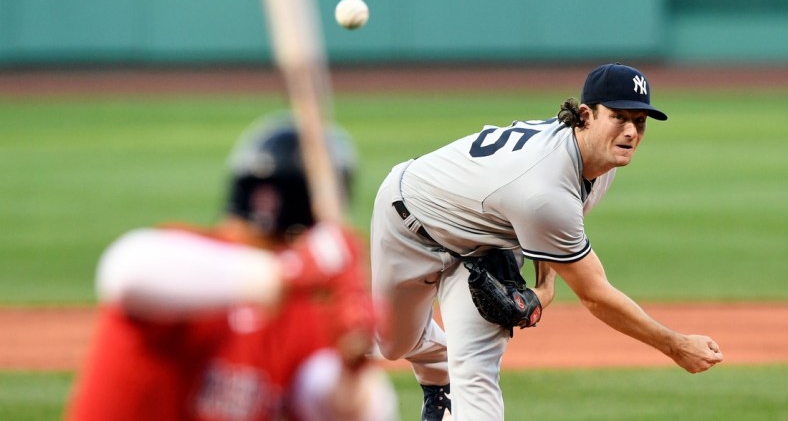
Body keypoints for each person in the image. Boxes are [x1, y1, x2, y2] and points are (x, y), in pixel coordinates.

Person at [369, 63, 724, 420]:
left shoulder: (600, 157)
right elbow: (595, 294)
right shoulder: (544, 186)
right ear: (586, 115)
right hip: (408, 221)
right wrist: (675, 345)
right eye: (619, 117)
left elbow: (556, 226)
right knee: (394, 344)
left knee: (476, 371)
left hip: (485, 246)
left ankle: (450, 384)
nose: (631, 132)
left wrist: (545, 282)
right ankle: (435, 370)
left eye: (640, 121)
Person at [66, 113, 398, 421]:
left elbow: (353, 408)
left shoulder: (302, 311)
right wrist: (289, 270)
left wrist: (352, 364)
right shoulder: (188, 260)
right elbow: (125, 270)